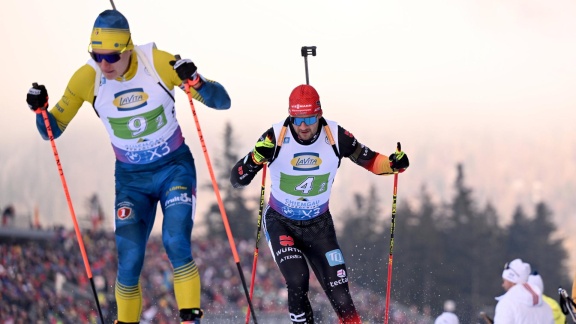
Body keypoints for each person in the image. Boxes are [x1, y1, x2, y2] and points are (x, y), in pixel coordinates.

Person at [26, 9, 231, 324]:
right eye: (96, 55)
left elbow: (221, 101)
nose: (103, 64)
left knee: (175, 240)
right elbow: (51, 130)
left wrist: (196, 80)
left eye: (110, 56)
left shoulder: (158, 63)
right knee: (130, 259)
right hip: (131, 180)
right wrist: (39, 109)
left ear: (128, 48)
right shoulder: (88, 77)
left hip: (173, 168)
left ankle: (191, 319)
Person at [229, 84, 409, 323]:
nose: (303, 126)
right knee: (297, 279)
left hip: (319, 225)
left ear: (320, 113)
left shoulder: (336, 135)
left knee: (342, 297)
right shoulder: (275, 137)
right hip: (281, 221)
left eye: (310, 118)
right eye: (297, 119)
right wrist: (254, 159)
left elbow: (370, 160)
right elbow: (237, 179)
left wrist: (394, 164)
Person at [493, 258, 554, 323]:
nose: (503, 285)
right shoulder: (545, 305)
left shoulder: (507, 304)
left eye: (505, 281)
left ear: (513, 281)